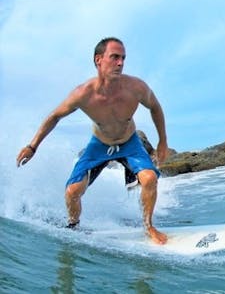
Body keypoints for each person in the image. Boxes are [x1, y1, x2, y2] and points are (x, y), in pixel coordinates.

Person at [16, 37, 168, 245]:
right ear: (98, 60)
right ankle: (73, 225)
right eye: (115, 57)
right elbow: (54, 116)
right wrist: (32, 146)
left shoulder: (136, 87)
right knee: (72, 192)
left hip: (129, 143)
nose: (120, 63)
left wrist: (162, 142)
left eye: (123, 58)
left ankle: (149, 226)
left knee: (150, 178)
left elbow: (155, 107)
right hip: (99, 146)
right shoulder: (83, 94)